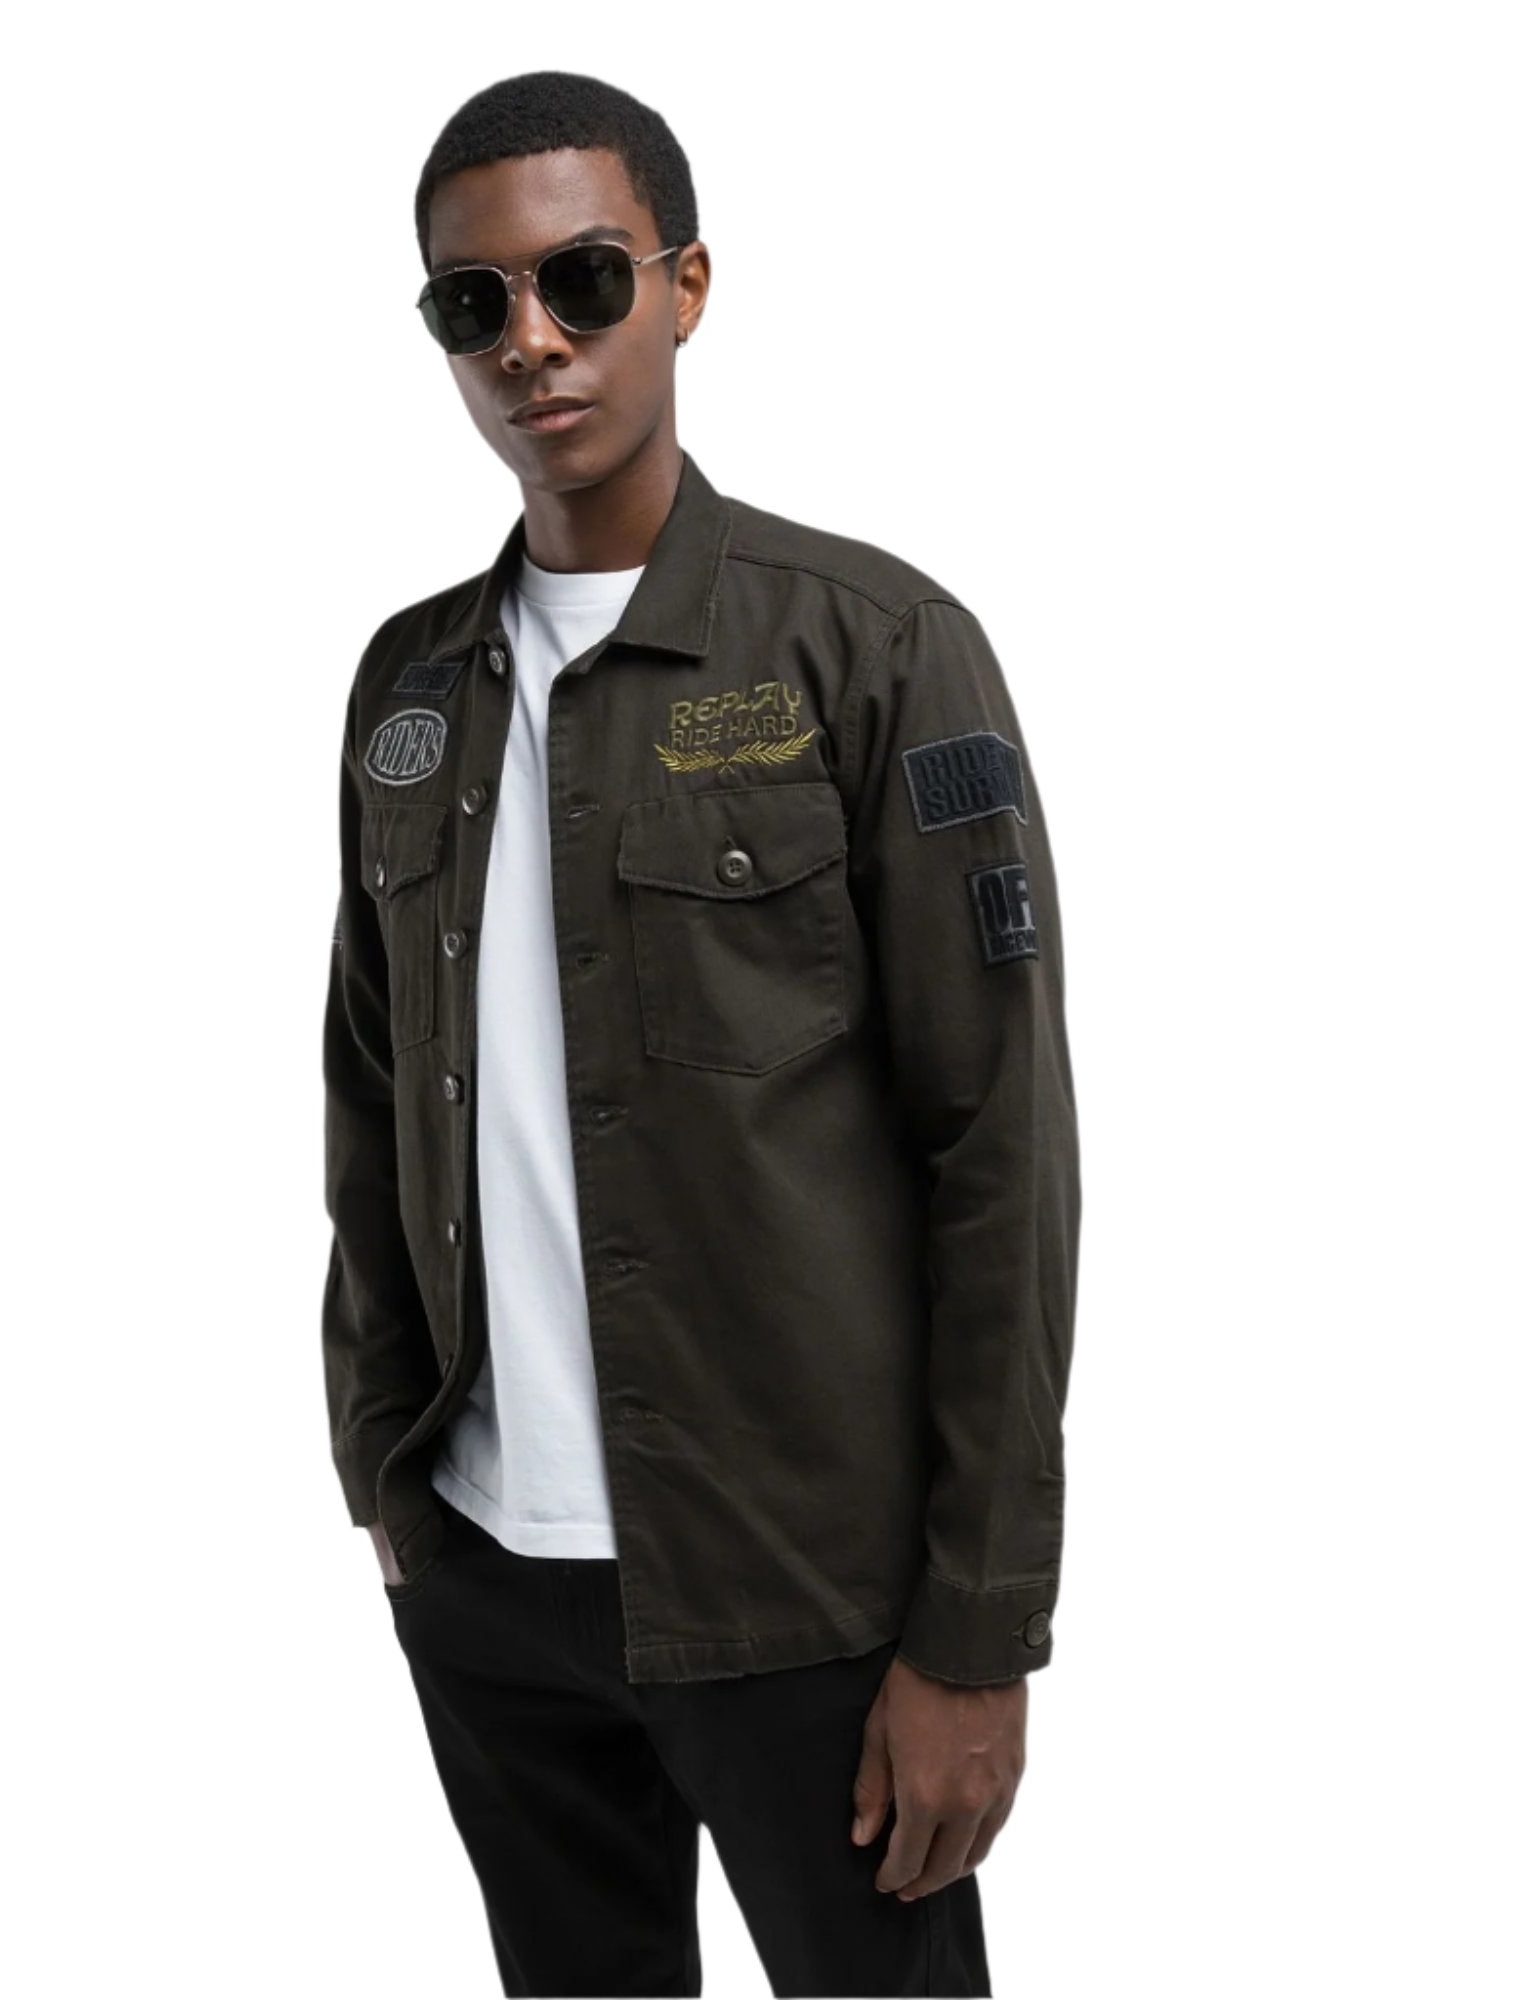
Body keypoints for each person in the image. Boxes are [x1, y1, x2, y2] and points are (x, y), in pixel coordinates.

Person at [322, 68, 1080, 2000]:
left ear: (686, 284)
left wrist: (977, 1631)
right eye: (474, 302)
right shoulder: (411, 690)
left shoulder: (874, 646)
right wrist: (387, 1479)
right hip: (491, 1579)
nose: (531, 339)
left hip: (804, 1595)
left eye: (581, 277)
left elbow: (999, 1152)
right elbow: (369, 1094)